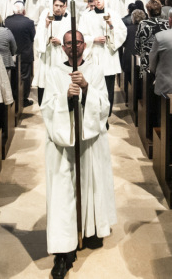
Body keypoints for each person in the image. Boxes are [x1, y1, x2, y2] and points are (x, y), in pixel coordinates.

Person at [42, 30, 117, 279]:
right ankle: (63, 250)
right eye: (68, 43)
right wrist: (65, 97)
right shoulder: (54, 73)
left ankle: (89, 228)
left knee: (90, 186)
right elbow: (46, 108)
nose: (73, 46)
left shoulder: (95, 70)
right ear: (62, 48)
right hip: (63, 145)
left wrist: (86, 88)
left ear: (85, 45)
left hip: (89, 142)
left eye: (77, 42)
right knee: (64, 194)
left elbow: (105, 106)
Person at [78, 0, 127, 116]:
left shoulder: (113, 15)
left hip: (108, 55)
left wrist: (111, 25)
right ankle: (93, 113)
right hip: (93, 54)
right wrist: (93, 39)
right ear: (93, 1)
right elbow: (81, 36)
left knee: (108, 86)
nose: (99, 1)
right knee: (93, 85)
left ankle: (106, 115)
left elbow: (122, 33)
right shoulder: (86, 16)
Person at [34, 0, 73, 105]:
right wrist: (46, 26)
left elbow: (72, 36)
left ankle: (61, 104)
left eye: (61, 6)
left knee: (60, 81)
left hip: (61, 54)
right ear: (52, 6)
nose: (58, 8)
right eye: (56, 5)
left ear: (64, 6)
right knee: (45, 80)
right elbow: (38, 37)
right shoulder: (45, 15)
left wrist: (61, 42)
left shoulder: (68, 17)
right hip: (47, 55)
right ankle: (44, 105)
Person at [4, 1, 36, 106]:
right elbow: (33, 37)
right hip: (25, 53)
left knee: (12, 77)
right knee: (25, 78)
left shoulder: (7, 21)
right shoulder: (29, 22)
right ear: (23, 11)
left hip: (10, 54)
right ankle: (23, 100)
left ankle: (13, 98)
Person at [134, 0, 169, 72]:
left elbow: (137, 45)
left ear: (148, 11)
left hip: (147, 61)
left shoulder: (143, 24)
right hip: (163, 62)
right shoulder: (167, 24)